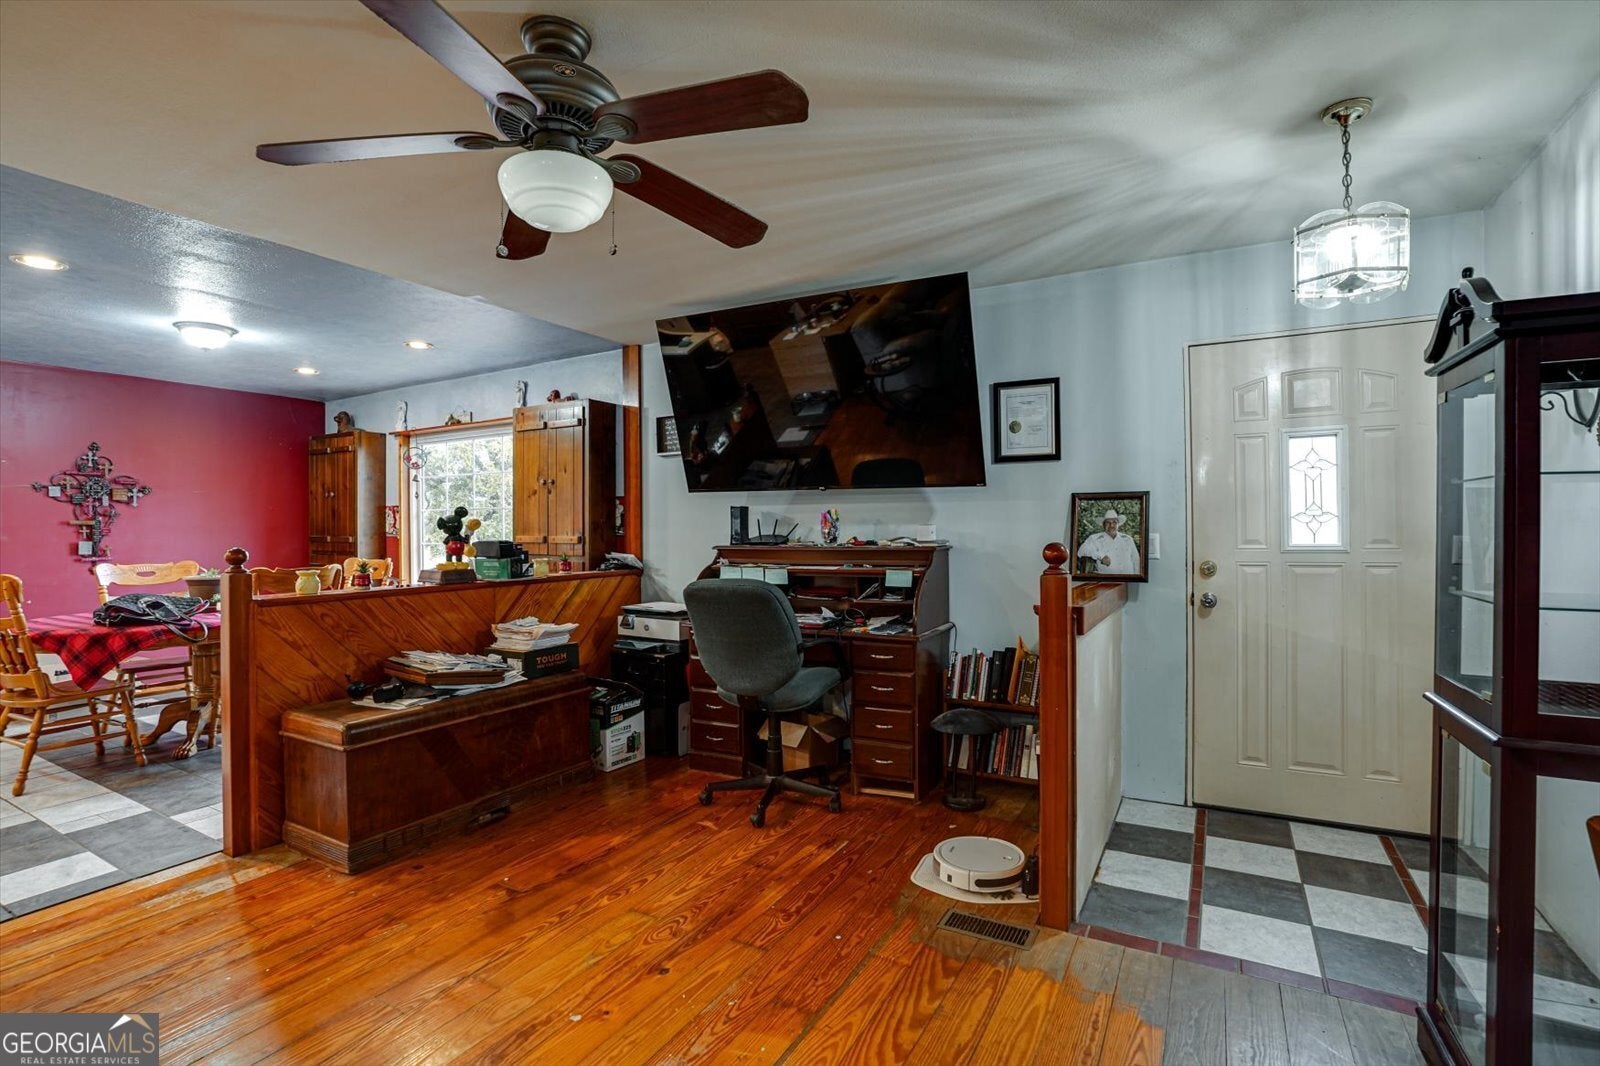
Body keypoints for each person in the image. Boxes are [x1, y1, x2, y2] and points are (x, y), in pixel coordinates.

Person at [1077, 509, 1141, 575]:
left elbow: (1136, 561)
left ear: (1118, 524)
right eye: (1108, 522)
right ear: (1103, 525)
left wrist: (1137, 578)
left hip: (1129, 578)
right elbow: (1081, 551)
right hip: (1107, 579)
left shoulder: (1128, 539)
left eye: (1114, 522)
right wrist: (1101, 556)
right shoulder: (1095, 539)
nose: (1111, 525)